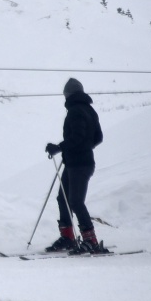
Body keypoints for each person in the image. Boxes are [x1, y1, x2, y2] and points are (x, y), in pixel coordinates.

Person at [44, 77, 105, 254]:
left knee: (75, 201)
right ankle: (69, 237)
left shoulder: (75, 111)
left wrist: (59, 148)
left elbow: (77, 138)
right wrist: (82, 148)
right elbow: (98, 138)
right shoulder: (89, 110)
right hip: (77, 161)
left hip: (79, 163)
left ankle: (90, 240)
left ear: (68, 95)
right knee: (63, 198)